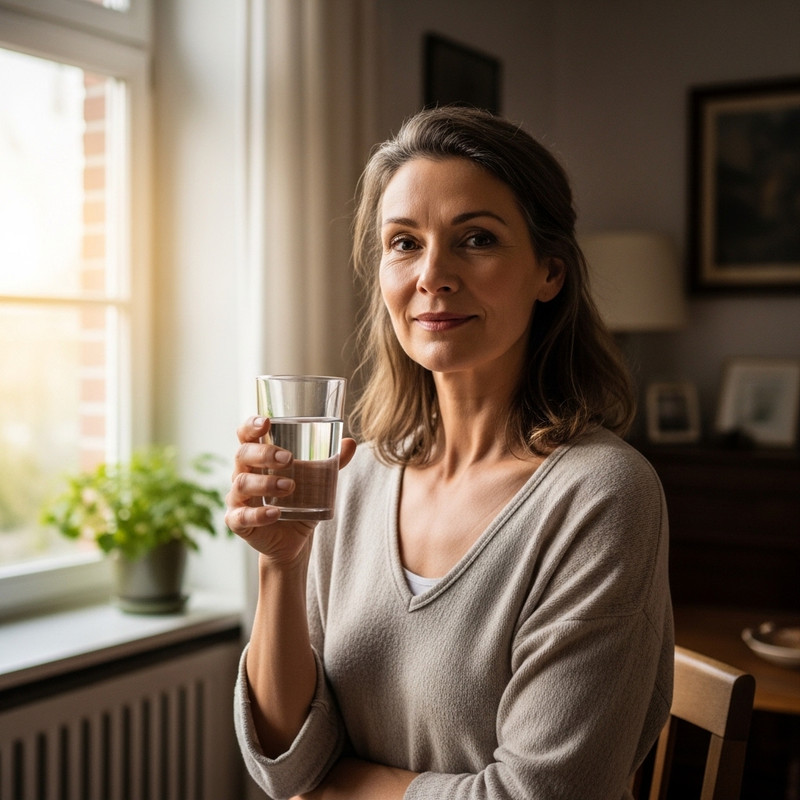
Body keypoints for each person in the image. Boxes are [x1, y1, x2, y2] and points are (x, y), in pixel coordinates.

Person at [226, 105, 673, 800]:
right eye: (404, 243)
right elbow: (285, 765)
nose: (433, 274)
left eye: (477, 239)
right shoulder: (356, 475)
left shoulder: (602, 494)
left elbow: (539, 796)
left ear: (548, 272)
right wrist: (282, 566)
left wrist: (341, 787)